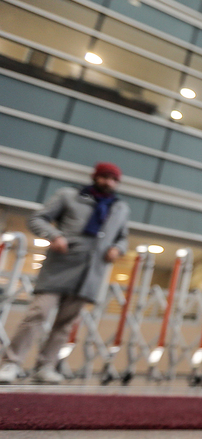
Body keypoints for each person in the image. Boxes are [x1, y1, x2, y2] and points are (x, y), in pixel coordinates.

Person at [0, 162, 129, 384]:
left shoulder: (120, 208)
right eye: (106, 177)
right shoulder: (68, 196)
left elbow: (123, 237)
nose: (110, 182)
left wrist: (118, 249)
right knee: (37, 314)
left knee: (66, 324)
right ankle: (10, 362)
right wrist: (54, 235)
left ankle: (46, 366)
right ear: (95, 177)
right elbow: (37, 218)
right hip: (59, 267)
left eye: (114, 179)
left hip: (90, 274)